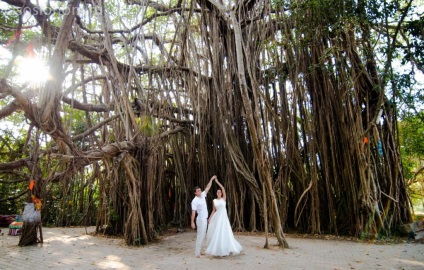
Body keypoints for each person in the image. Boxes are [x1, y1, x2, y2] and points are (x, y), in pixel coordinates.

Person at [205, 177, 243, 256]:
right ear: (216, 193)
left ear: (221, 193)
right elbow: (213, 210)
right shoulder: (214, 201)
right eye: (217, 192)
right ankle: (218, 248)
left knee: (225, 231)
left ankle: (227, 247)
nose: (219, 193)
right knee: (218, 231)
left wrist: (217, 181)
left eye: (220, 192)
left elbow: (223, 188)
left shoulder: (223, 199)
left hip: (224, 217)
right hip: (217, 217)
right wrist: (210, 218)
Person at [191, 175, 215, 258]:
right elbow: (193, 212)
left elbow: (208, 187)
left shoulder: (203, 195)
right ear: (195, 193)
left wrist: (211, 179)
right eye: (198, 191)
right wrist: (192, 222)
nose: (200, 191)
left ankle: (199, 251)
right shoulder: (195, 201)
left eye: (200, 190)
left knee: (202, 235)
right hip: (200, 220)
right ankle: (197, 254)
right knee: (200, 236)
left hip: (204, 219)